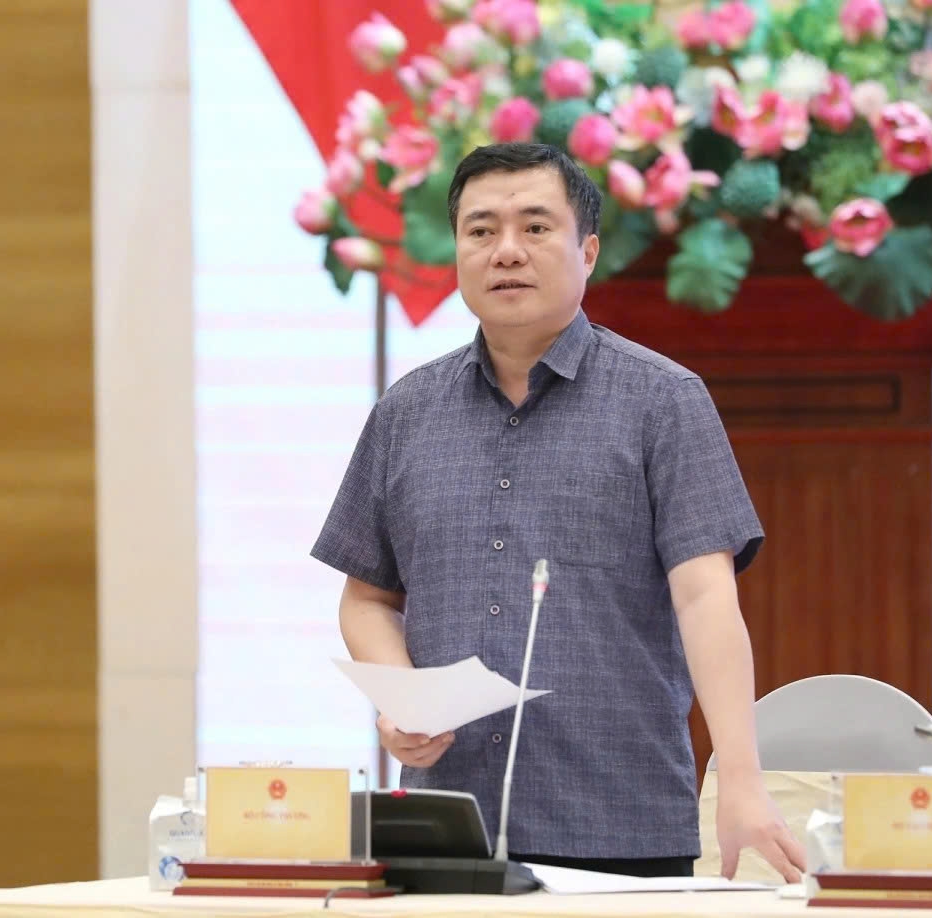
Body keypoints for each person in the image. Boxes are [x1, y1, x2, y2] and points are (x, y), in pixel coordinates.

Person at [311, 141, 805, 882]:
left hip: (621, 822)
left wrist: (740, 779)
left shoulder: (663, 402)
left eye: (535, 227)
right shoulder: (406, 413)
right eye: (480, 231)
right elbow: (368, 597)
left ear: (589, 250)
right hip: (450, 827)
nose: (505, 250)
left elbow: (707, 599)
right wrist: (401, 700)